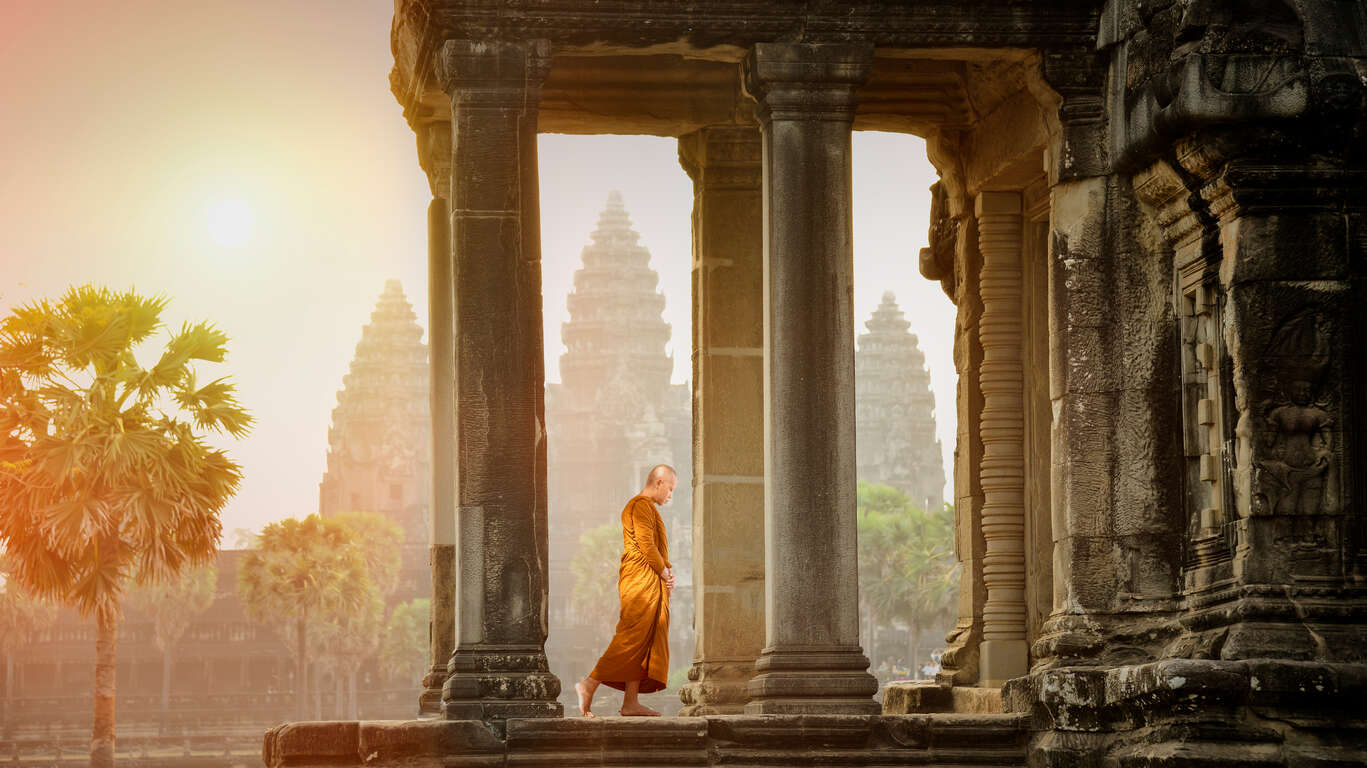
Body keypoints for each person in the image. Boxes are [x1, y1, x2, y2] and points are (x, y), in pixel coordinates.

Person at [575, 465, 677, 717]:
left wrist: (665, 573)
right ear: (659, 482)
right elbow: (646, 545)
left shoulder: (647, 508)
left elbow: (654, 550)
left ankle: (630, 702)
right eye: (670, 489)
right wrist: (664, 572)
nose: (671, 495)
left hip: (649, 578)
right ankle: (589, 683)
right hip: (640, 581)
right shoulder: (639, 505)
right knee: (632, 635)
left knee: (643, 639)